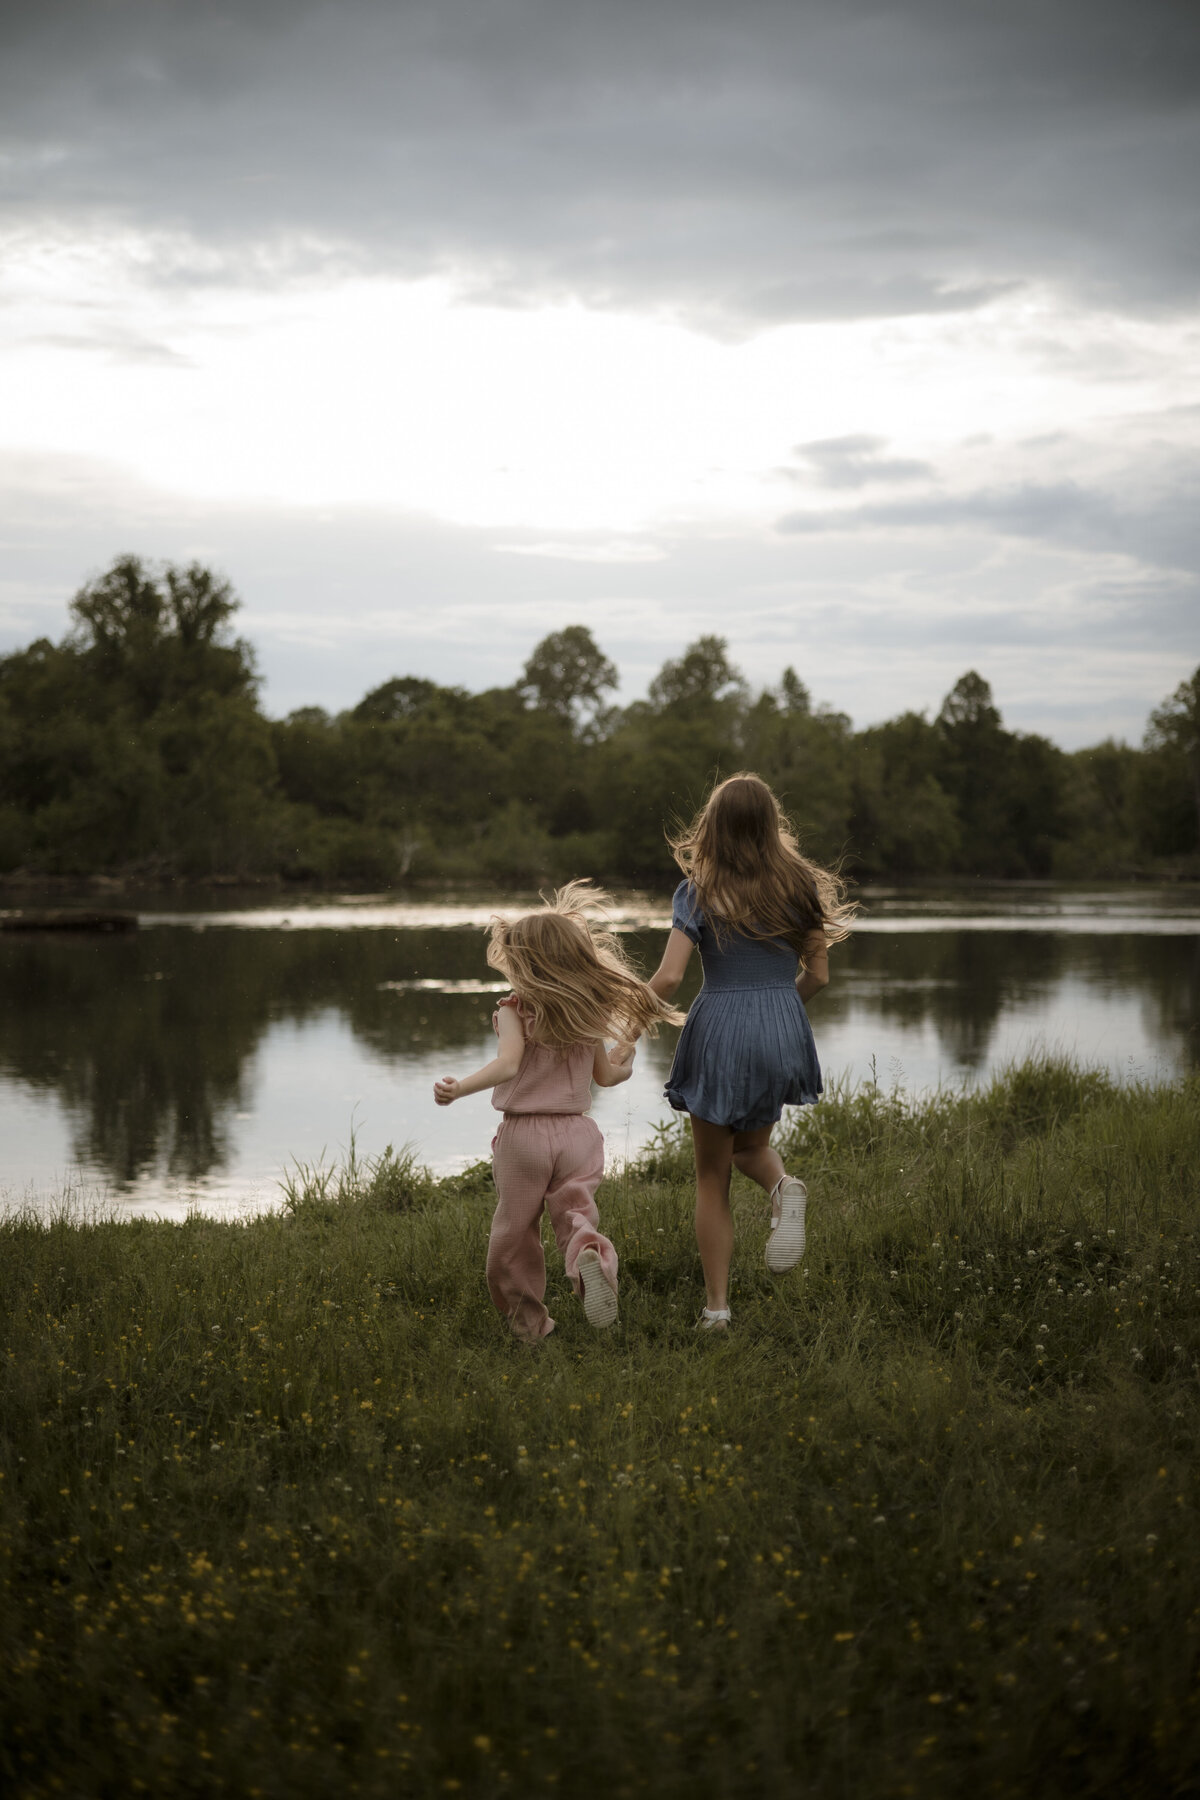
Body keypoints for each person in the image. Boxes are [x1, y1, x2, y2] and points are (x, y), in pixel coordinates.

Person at [644, 773, 855, 1331]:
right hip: (783, 1022)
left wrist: (624, 1014)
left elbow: (668, 978)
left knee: (712, 1175)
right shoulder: (799, 887)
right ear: (771, 827)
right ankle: (783, 1188)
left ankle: (716, 1310)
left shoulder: (698, 891)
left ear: (711, 828)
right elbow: (819, 975)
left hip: (721, 1027)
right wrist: (779, 1011)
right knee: (750, 1148)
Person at [434, 881, 682, 1342]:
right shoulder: (585, 1010)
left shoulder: (514, 1009)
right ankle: (590, 1259)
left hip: (525, 1137)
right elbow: (606, 1077)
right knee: (575, 1215)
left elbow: (508, 1064)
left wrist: (459, 1088)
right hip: (577, 1136)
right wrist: (625, 1061)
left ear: (525, 964)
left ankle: (532, 1327)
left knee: (515, 1233)